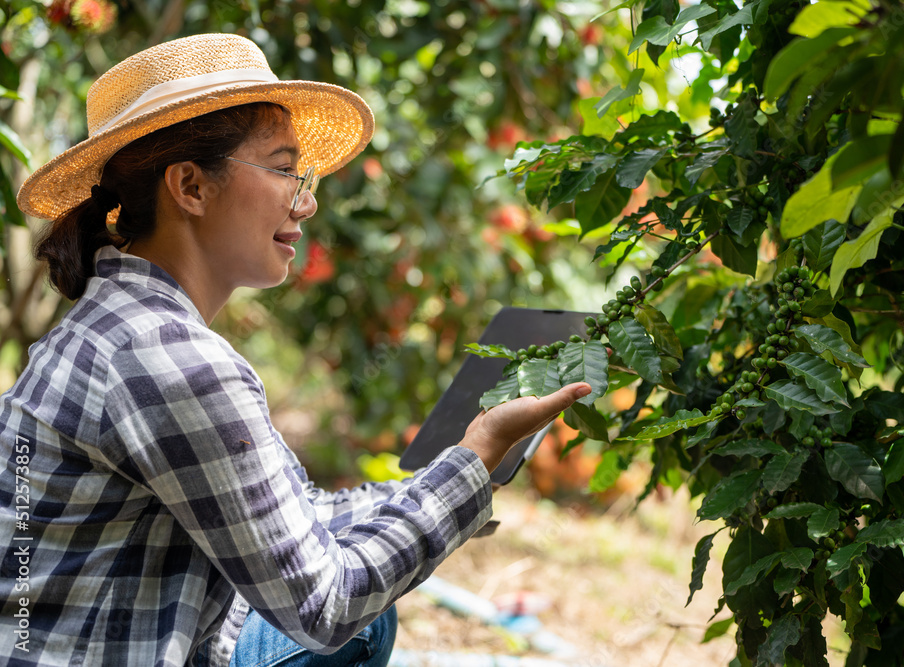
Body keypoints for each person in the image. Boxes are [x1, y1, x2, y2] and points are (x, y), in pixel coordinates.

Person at [0, 33, 590, 667]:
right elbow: (324, 604)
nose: (306, 201)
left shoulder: (118, 325)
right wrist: (477, 456)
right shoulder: (171, 359)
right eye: (284, 170)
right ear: (191, 187)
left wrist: (445, 474)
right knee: (362, 625)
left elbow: (291, 513)